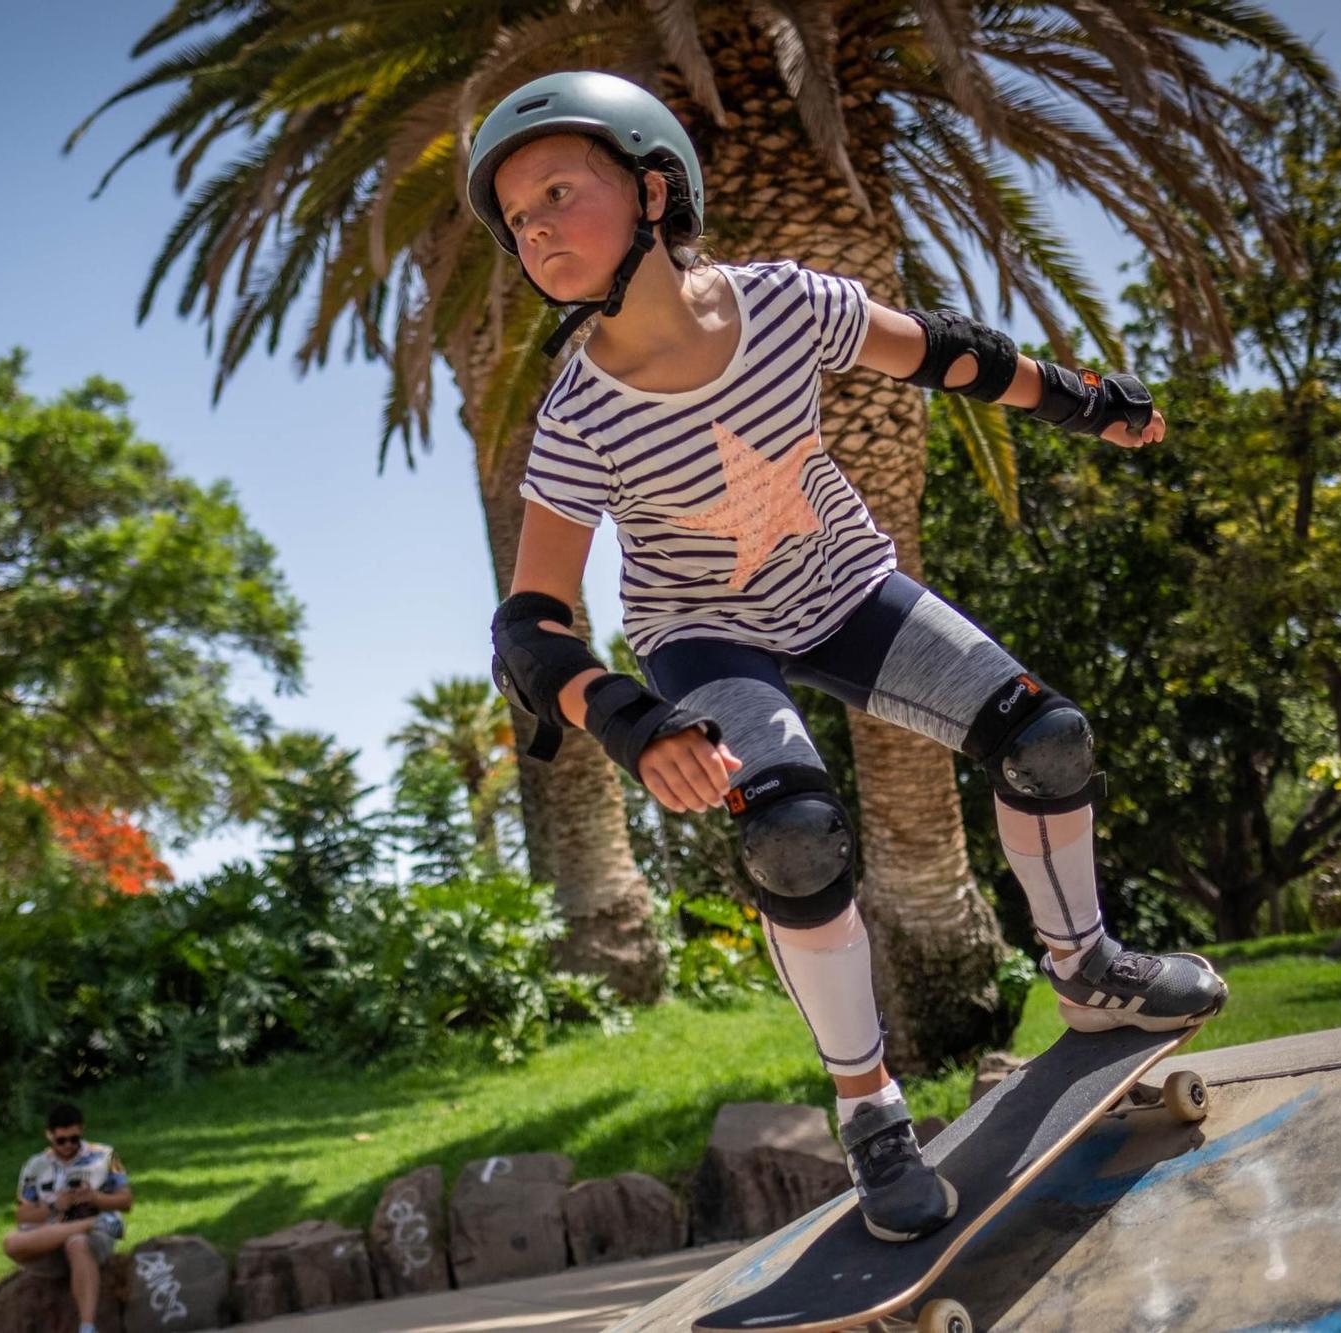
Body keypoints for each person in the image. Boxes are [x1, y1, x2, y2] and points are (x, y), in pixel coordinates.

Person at [469, 70, 1227, 1244]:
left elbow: (949, 356)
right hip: (702, 635)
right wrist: (631, 721)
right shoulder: (576, 414)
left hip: (847, 589)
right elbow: (530, 624)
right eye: (518, 219)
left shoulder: (783, 306)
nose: (534, 230)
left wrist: (1084, 403)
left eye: (558, 194)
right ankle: (871, 1110)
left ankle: (1084, 972)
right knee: (790, 836)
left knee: (1045, 738)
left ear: (654, 187)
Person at [0, 1101, 132, 1333]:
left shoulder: (105, 1156)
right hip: (51, 1239)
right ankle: (93, 1222)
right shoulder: (35, 1166)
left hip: (92, 1240)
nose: (68, 1146)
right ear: (49, 1135)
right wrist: (54, 1206)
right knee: (10, 1242)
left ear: (81, 1130)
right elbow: (22, 1215)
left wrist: (95, 1198)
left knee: (77, 1242)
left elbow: (126, 1201)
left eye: (74, 1139)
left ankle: (88, 1327)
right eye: (61, 1140)